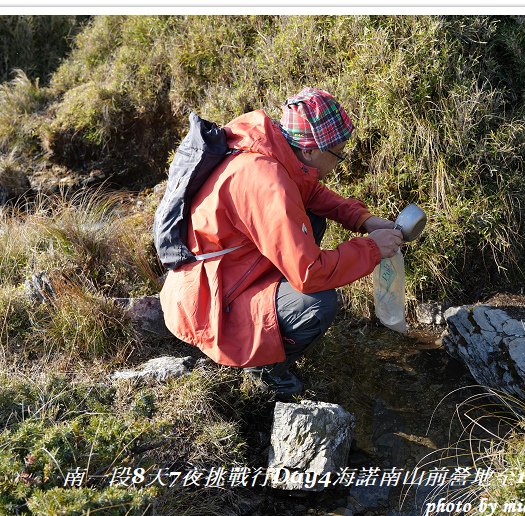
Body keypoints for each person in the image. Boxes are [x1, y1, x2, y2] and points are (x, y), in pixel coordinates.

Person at [159, 87, 402, 399]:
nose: (340, 163)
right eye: (338, 153)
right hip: (208, 306)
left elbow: (308, 191)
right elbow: (310, 273)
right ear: (311, 151)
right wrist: (372, 248)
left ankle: (267, 332)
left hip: (222, 274)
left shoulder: (270, 145)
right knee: (317, 303)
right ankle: (263, 371)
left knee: (312, 218)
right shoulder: (266, 181)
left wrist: (362, 220)